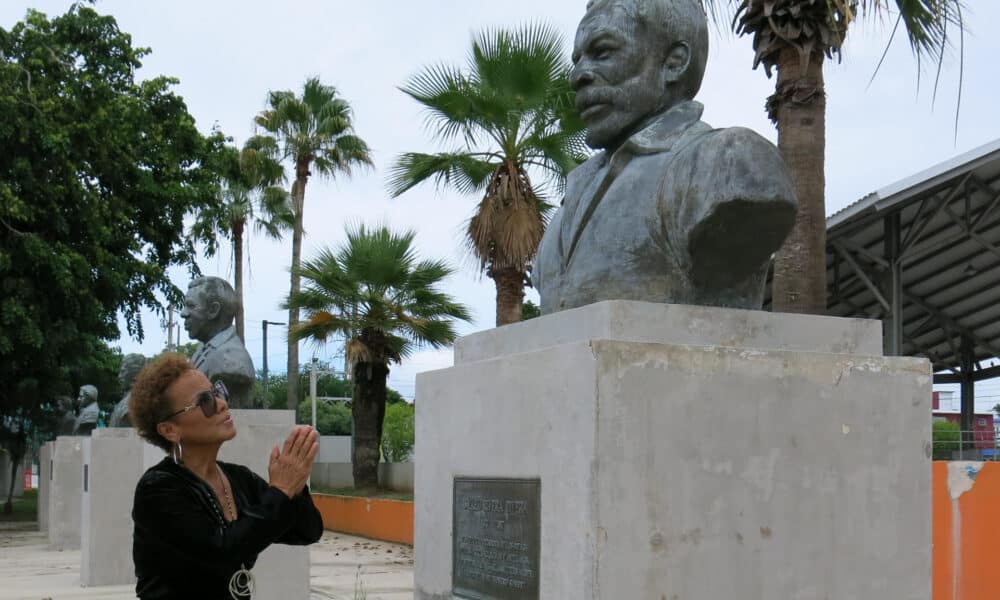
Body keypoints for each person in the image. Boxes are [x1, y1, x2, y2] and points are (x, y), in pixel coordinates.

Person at [534, 0, 798, 313]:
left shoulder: (730, 162)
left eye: (602, 52)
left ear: (674, 62)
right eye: (577, 60)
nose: (578, 75)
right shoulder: (567, 208)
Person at [128, 353, 322, 599]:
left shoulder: (238, 478)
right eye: (205, 401)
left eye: (218, 391)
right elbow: (222, 551)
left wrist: (295, 484)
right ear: (170, 430)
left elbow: (307, 531)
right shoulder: (158, 488)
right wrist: (281, 492)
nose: (221, 403)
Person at [182, 276, 256, 408]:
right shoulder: (202, 351)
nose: (183, 313)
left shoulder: (231, 359)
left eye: (191, 306)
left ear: (213, 310)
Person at [109, 353, 146, 427]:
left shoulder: (133, 404)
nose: (119, 376)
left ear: (135, 375)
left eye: (123, 371)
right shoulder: (126, 401)